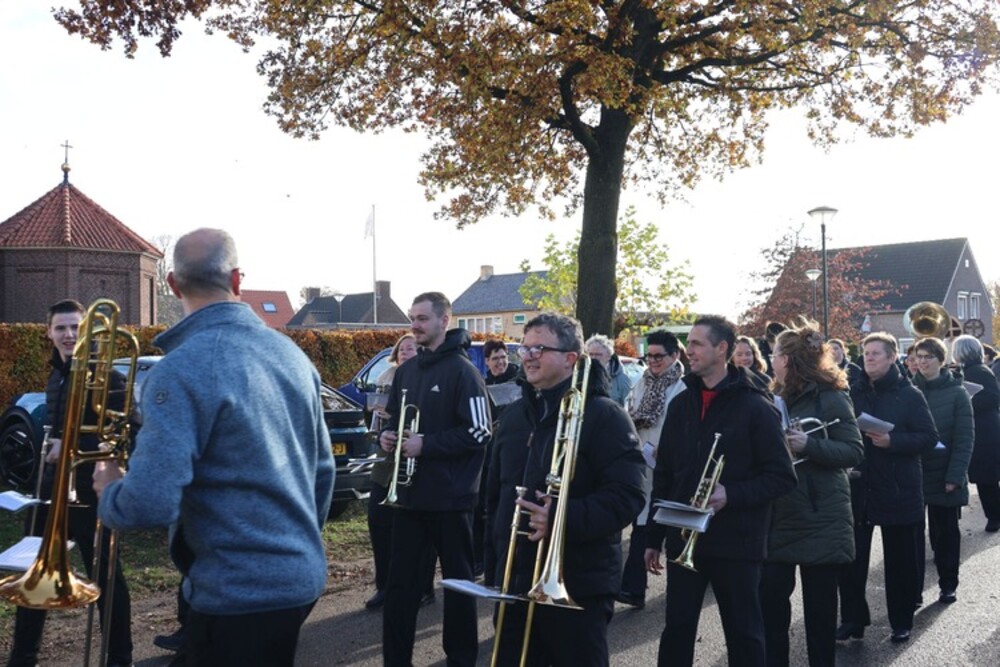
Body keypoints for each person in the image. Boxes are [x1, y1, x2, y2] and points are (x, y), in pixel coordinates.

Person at [93, 228, 335, 666]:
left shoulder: (179, 370)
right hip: (299, 580)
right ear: (238, 280)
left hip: (236, 594)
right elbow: (323, 472)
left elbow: (149, 504)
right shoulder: (294, 357)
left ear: (172, 284)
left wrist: (110, 490)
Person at [484, 312, 645, 665]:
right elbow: (494, 497)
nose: (528, 357)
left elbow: (628, 495)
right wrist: (493, 568)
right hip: (515, 582)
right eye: (524, 348)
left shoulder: (605, 415)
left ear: (571, 358)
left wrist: (561, 517)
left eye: (539, 349)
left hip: (579, 585)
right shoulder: (512, 417)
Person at [644, 315, 796, 667]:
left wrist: (733, 494)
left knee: (744, 634)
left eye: (697, 344)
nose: (689, 350)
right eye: (689, 343)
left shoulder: (756, 406)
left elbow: (782, 477)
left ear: (721, 348)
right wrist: (652, 537)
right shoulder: (681, 404)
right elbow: (664, 474)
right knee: (677, 630)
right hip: (684, 537)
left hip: (737, 543)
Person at [6, 299, 134, 667]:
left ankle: (119, 658)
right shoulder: (55, 377)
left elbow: (121, 438)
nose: (68, 335)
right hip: (52, 490)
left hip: (91, 491)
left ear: (89, 332)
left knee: (107, 577)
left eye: (76, 327)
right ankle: (22, 657)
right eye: (60, 328)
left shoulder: (110, 378)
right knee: (36, 572)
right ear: (48, 332)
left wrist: (72, 442)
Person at [378, 292, 491, 667]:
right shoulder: (406, 371)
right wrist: (387, 437)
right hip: (409, 499)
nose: (414, 325)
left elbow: (480, 432)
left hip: (451, 501)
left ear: (445, 321)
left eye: (422, 318)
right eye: (412, 318)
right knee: (399, 588)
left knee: (458, 587)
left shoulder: (464, 372)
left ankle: (461, 660)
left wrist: (427, 444)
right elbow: (394, 420)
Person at [760, 325, 863, 667]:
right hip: (780, 513)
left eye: (774, 354)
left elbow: (853, 450)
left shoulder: (831, 396)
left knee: (820, 615)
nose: (770, 360)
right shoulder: (771, 396)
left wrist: (809, 444)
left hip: (820, 516)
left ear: (787, 360)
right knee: (771, 608)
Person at [836, 332, 937, 644]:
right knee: (852, 561)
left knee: (899, 561)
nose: (868, 357)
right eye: (865, 352)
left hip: (897, 486)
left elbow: (929, 437)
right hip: (860, 485)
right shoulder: (852, 391)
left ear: (892, 357)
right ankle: (853, 620)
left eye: (875, 353)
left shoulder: (909, 394)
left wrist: (894, 441)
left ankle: (901, 621)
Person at [365, 334, 435, 611]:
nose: (406, 352)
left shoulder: (428, 378)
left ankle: (423, 587)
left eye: (411, 348)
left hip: (418, 463)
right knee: (378, 521)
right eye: (402, 349)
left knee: (418, 529)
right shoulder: (385, 380)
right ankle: (385, 586)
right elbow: (375, 423)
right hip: (386, 464)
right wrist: (382, 432)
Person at [617, 330, 686, 609]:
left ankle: (684, 589)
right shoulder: (641, 383)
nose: (653, 361)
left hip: (671, 468)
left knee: (672, 530)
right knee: (642, 525)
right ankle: (633, 588)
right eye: (650, 356)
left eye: (660, 356)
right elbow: (629, 413)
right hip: (643, 465)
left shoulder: (683, 388)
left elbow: (686, 429)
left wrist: (667, 449)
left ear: (675, 355)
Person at [911, 336, 974, 604]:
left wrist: (955, 476)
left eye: (928, 357)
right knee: (912, 538)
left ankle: (948, 584)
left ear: (941, 360)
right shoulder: (909, 389)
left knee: (945, 534)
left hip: (944, 473)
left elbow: (964, 439)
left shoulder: (957, 393)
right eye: (919, 357)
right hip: (914, 472)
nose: (922, 362)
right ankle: (913, 591)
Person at [952, 335, 1000, 532]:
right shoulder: (974, 370)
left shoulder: (978, 371)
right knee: (986, 476)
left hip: (984, 430)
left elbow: (992, 398)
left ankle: (994, 517)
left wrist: (966, 403)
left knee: (986, 477)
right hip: (985, 428)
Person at [585, 334, 632, 407]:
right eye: (591, 354)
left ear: (609, 356)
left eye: (598, 354)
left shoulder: (622, 379)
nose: (593, 358)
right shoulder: (581, 377)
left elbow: (627, 408)